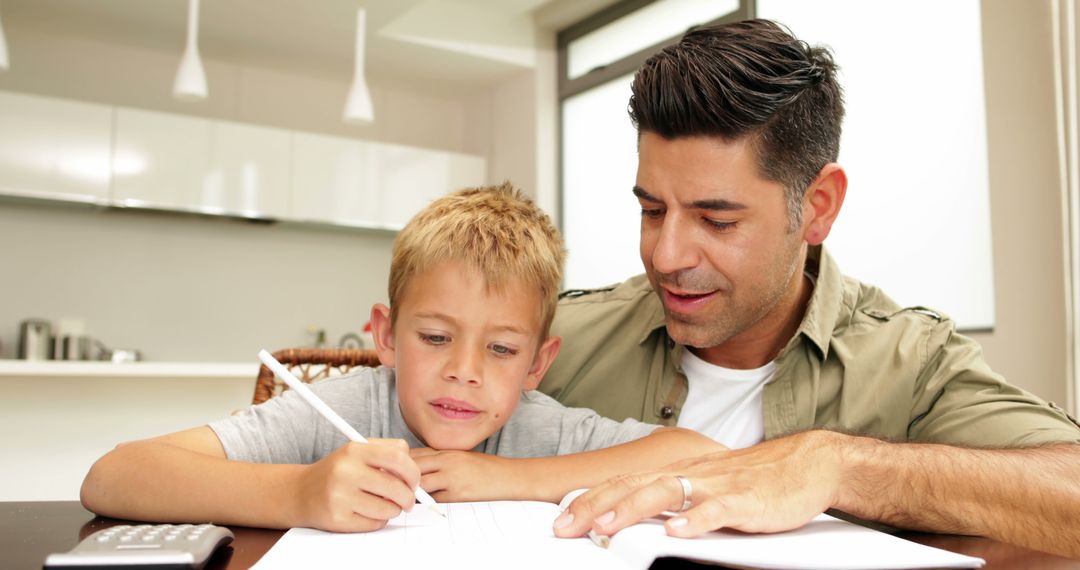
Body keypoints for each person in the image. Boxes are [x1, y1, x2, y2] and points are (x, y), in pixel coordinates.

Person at [545, 19, 1080, 558]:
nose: (666, 256)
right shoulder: (553, 344)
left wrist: (838, 466)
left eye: (717, 221)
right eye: (652, 210)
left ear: (818, 207)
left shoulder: (912, 363)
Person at [80, 183, 724, 533]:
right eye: (436, 338)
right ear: (385, 336)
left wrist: (507, 479)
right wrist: (300, 493)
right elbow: (113, 475)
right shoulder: (341, 411)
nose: (464, 371)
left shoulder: (539, 428)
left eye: (501, 349)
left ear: (536, 363)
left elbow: (704, 457)